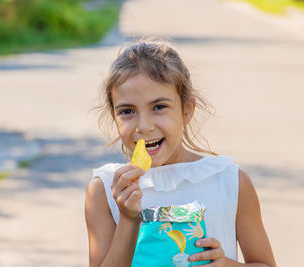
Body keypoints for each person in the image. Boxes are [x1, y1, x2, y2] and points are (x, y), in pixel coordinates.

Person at [84, 39, 276, 267]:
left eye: (159, 107)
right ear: (114, 117)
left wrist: (226, 264)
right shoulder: (104, 191)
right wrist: (127, 218)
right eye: (127, 111)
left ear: (187, 110)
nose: (144, 126)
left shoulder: (230, 181)